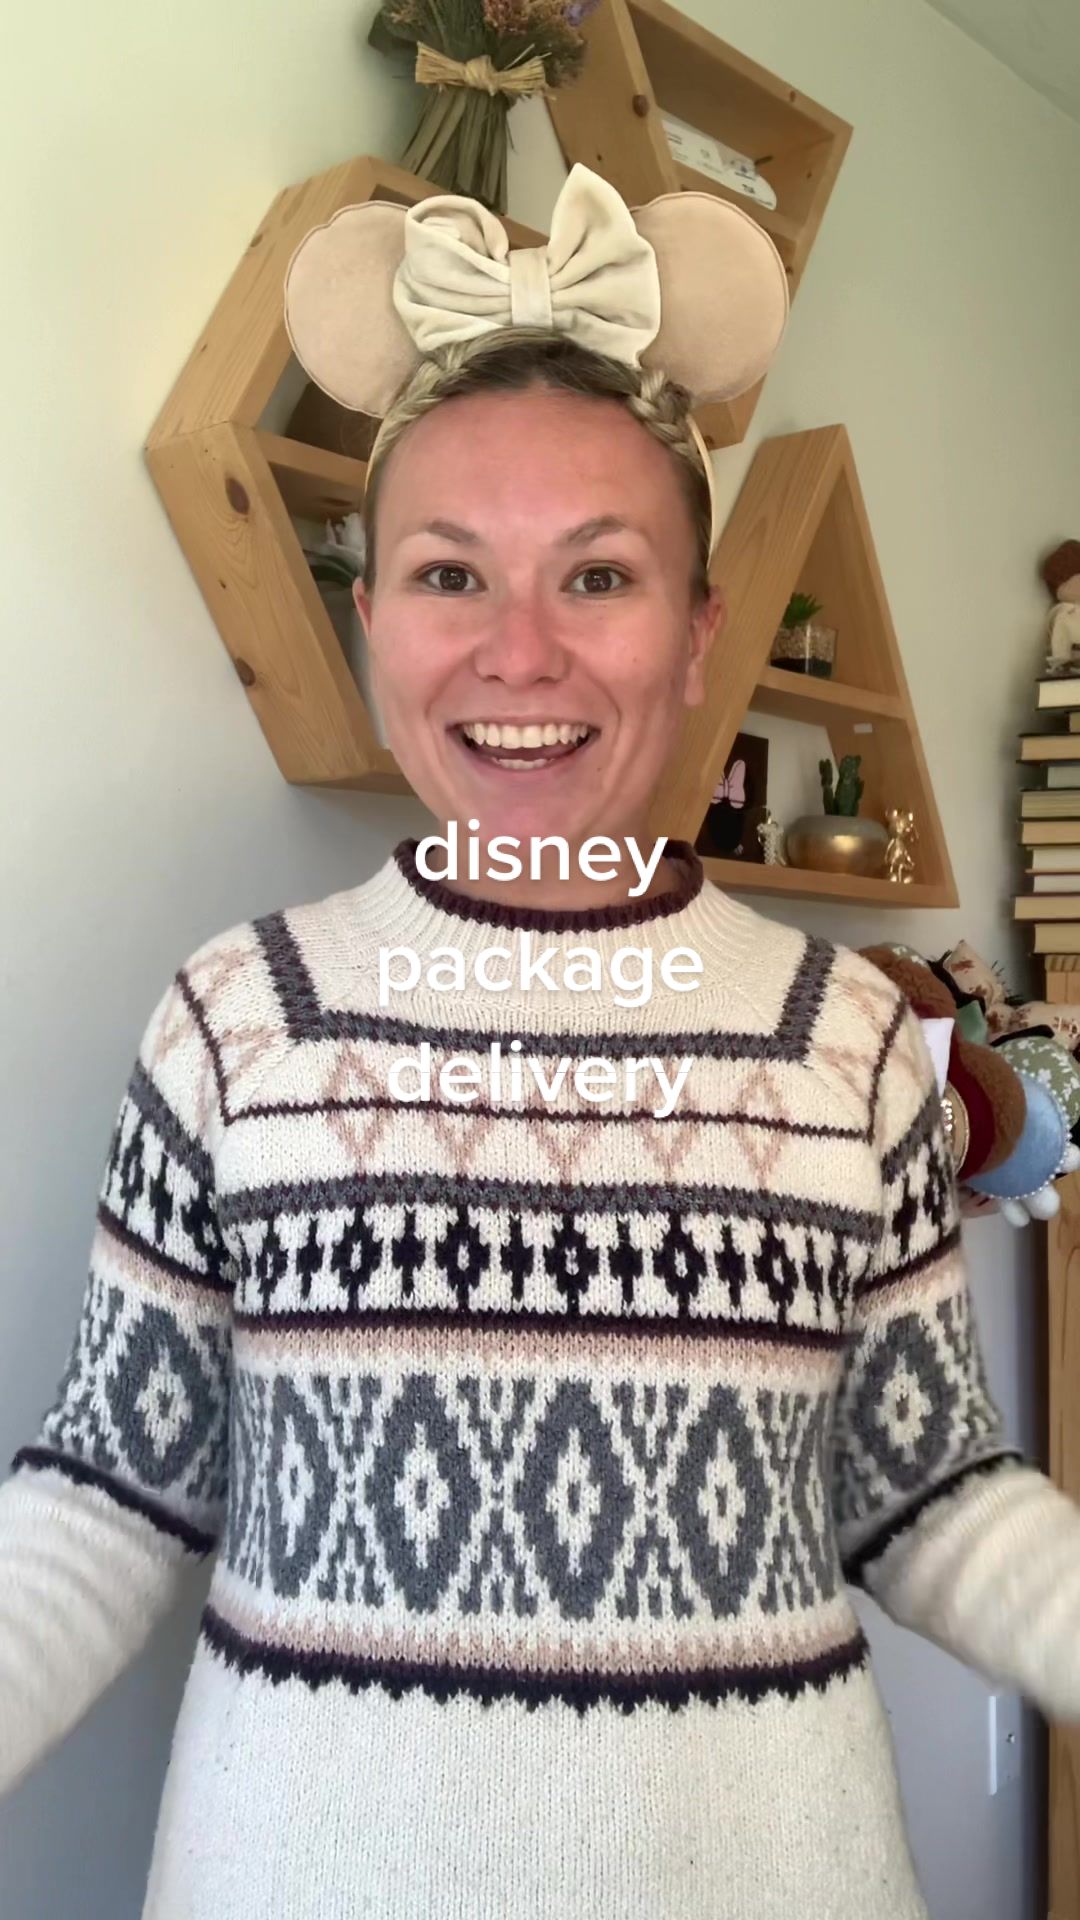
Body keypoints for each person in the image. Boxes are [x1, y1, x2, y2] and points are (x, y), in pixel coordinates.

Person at [1, 162, 1079, 1920]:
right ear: (372, 625)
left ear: (698, 633)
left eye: (599, 576)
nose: (520, 653)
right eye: (451, 574)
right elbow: (110, 1493)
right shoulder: (233, 1025)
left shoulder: (850, 1049)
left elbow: (930, 1486)